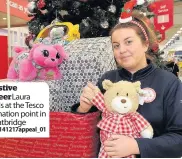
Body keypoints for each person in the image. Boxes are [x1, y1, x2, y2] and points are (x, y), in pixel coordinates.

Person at [71, 10, 182, 158]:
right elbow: (85, 129)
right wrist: (82, 109)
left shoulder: (168, 82)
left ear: (145, 44)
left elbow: (178, 137)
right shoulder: (108, 80)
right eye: (116, 46)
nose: (121, 50)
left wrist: (137, 146)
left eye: (128, 42)